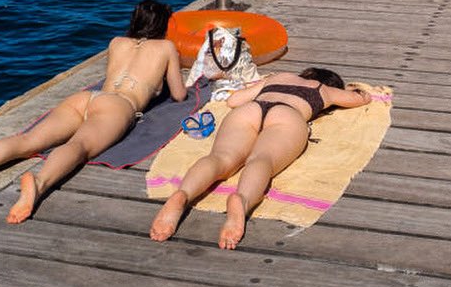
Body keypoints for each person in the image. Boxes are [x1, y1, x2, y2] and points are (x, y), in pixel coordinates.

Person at [0, 0, 187, 222]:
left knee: (27, 140)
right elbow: (178, 94)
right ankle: (39, 183)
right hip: (119, 106)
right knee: (79, 145)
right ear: (162, 25)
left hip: (87, 98)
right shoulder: (165, 48)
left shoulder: (116, 42)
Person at [149, 68, 372, 247]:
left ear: (307, 72)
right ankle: (242, 201)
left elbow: (234, 101)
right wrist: (358, 91)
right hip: (287, 115)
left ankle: (183, 194)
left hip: (250, 109)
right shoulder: (324, 89)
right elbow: (359, 99)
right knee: (262, 159)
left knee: (220, 157)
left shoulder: (277, 77)